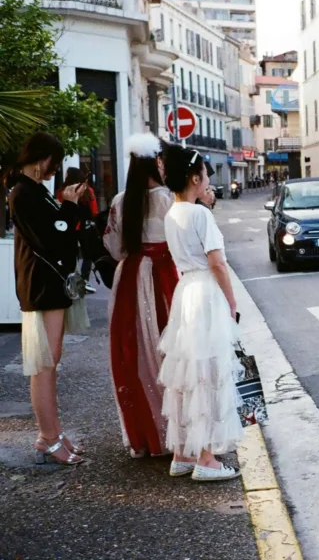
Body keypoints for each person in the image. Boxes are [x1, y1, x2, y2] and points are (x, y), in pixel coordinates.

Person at [158, 144, 244, 481]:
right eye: (206, 174)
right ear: (196, 177)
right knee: (209, 372)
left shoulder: (172, 213)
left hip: (185, 292)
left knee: (186, 374)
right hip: (206, 292)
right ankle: (207, 459)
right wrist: (232, 303)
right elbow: (218, 263)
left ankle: (182, 453)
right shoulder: (200, 214)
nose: (208, 179)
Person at [8, 133, 90, 466]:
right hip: (41, 286)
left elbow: (59, 232)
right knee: (44, 365)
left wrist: (66, 207)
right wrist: (69, 206)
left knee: (49, 362)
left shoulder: (33, 192)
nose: (53, 171)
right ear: (43, 159)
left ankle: (53, 433)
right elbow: (53, 237)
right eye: (53, 164)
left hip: (49, 285)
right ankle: (47, 437)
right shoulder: (23, 194)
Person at [104, 133, 178, 459]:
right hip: (164, 278)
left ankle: (146, 434)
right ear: (156, 162)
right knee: (171, 351)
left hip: (130, 280)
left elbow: (114, 247)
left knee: (133, 353)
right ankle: (176, 432)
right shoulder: (169, 199)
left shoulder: (121, 201)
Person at [57, 167, 99, 293]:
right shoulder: (88, 191)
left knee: (71, 254)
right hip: (85, 226)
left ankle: (71, 278)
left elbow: (61, 206)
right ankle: (85, 280)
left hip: (71, 225)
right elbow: (94, 210)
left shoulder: (63, 191)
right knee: (87, 254)